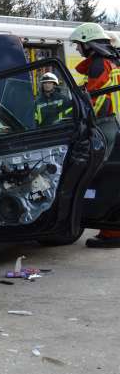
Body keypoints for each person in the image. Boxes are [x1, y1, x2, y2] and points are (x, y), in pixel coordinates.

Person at [71, 22, 120, 248]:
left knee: (99, 175)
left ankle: (111, 231)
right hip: (112, 123)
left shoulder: (99, 65)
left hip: (104, 124)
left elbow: (96, 98)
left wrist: (82, 116)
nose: (78, 50)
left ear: (89, 44)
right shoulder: (111, 61)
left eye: (80, 45)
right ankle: (108, 228)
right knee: (109, 174)